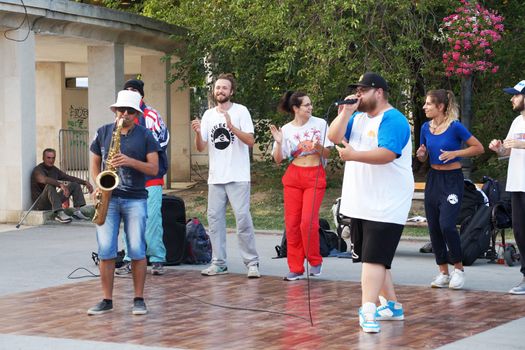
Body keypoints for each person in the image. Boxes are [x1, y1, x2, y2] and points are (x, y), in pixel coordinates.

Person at [327, 72, 413, 333]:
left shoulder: (393, 119)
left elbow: (387, 153)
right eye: (357, 90)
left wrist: (354, 155)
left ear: (379, 92)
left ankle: (368, 310)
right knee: (373, 257)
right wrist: (344, 113)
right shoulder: (358, 118)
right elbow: (333, 137)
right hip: (361, 199)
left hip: (386, 201)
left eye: (363, 90)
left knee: (373, 260)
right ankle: (393, 306)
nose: (358, 95)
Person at [87, 90, 160, 315]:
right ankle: (106, 300)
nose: (125, 114)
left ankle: (139, 299)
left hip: (135, 198)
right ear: (115, 111)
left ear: (136, 114)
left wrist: (130, 161)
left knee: (137, 249)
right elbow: (94, 162)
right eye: (121, 110)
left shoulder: (146, 135)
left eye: (129, 111)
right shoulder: (104, 132)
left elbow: (154, 169)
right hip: (109, 197)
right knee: (106, 250)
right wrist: (98, 185)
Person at [191, 73, 260, 278]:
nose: (220, 91)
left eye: (225, 88)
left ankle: (252, 263)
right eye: (218, 87)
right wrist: (197, 132)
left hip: (238, 176)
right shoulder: (208, 115)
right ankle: (218, 262)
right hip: (215, 178)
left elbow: (250, 141)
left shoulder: (241, 111)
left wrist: (232, 127)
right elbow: (202, 146)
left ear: (232, 91)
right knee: (214, 221)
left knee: (242, 219)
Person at [416, 89, 484, 290]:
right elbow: (423, 155)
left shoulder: (455, 127)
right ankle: (443, 272)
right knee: (434, 227)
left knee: (447, 225)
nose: (424, 107)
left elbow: (478, 148)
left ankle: (459, 270)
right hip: (434, 179)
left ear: (441, 107)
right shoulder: (425, 128)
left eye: (428, 104)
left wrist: (456, 152)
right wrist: (421, 154)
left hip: (452, 180)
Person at [269, 91, 333, 281]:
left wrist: (316, 146)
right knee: (293, 224)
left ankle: (315, 260)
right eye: (306, 105)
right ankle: (295, 267)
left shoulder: (320, 124)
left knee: (308, 222)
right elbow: (278, 160)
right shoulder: (286, 129)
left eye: (310, 104)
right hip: (294, 175)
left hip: (314, 174)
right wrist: (279, 143)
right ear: (296, 108)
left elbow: (328, 154)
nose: (310, 108)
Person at [116, 79, 170, 276]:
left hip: (150, 177)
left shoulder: (151, 116)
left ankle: (156, 259)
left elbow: (161, 141)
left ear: (141, 96)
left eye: (134, 91)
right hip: (127, 179)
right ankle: (131, 258)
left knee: (152, 218)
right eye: (127, 90)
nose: (130, 93)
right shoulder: (119, 119)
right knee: (129, 220)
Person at [489, 80, 525, 295]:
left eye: (516, 95)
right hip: (517, 185)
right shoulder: (516, 122)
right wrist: (499, 148)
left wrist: (522, 144)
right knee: (520, 233)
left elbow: (519, 145)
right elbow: (507, 152)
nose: (512, 98)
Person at [30, 148, 93, 223]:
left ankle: (77, 212)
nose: (51, 160)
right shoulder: (37, 170)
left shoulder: (54, 170)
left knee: (74, 185)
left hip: (53, 201)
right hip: (40, 204)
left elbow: (68, 177)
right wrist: (60, 185)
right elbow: (44, 180)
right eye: (48, 158)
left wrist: (84, 182)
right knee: (49, 185)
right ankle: (59, 214)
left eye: (53, 158)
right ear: (43, 158)